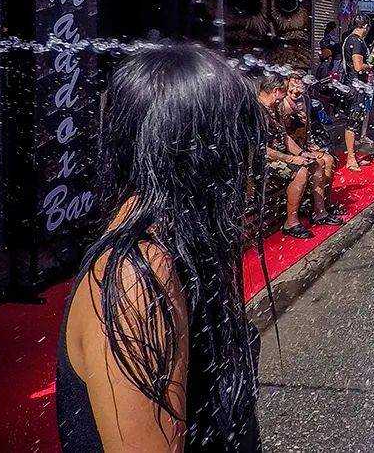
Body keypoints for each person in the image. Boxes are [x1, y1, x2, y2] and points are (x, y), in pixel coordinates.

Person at [57, 44, 262, 451]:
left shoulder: (174, 251)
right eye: (237, 151)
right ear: (200, 156)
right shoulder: (139, 277)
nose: (245, 172)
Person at [257, 75, 340, 238]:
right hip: (261, 161)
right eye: (283, 93)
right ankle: (291, 223)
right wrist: (291, 159)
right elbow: (260, 149)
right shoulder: (256, 112)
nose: (284, 97)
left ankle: (319, 212)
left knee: (316, 163)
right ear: (276, 91)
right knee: (301, 171)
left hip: (279, 155)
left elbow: (285, 138)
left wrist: (303, 154)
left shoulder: (273, 108)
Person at [342, 18, 374, 171]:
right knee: (353, 122)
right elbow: (358, 66)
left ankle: (353, 155)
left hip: (353, 85)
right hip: (355, 86)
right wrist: (373, 66)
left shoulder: (349, 38)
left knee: (355, 121)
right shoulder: (356, 41)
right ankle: (350, 158)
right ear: (365, 27)